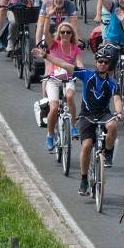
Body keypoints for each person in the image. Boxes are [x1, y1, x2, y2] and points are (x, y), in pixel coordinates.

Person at [73, 45, 124, 196]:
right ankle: (83, 180)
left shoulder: (113, 83)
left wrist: (119, 112)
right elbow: (65, 65)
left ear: (109, 66)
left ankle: (107, 152)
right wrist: (45, 56)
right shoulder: (86, 75)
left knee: (113, 126)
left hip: (103, 114)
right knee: (87, 145)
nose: (102, 64)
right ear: (96, 62)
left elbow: (117, 100)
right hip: (86, 116)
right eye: (100, 61)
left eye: (106, 62)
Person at [36, 21, 83, 153]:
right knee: (54, 107)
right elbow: (45, 33)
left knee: (69, 96)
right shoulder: (54, 45)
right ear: (59, 34)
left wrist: (82, 71)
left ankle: (73, 126)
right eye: (62, 32)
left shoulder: (75, 48)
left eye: (68, 32)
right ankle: (50, 134)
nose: (65, 34)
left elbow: (79, 63)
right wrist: (48, 16)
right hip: (53, 79)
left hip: (68, 79)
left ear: (72, 34)